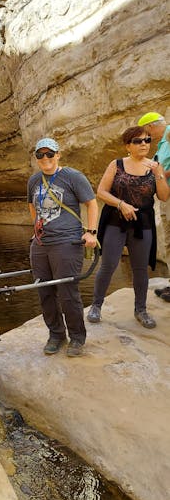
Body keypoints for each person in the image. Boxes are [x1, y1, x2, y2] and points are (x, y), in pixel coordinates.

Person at [87, 125, 169, 328]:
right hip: (116, 221)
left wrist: (159, 173)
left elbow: (164, 196)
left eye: (147, 140)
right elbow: (101, 192)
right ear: (127, 146)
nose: (144, 144)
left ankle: (140, 310)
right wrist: (121, 204)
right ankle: (96, 305)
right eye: (138, 141)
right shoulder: (116, 165)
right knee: (109, 265)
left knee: (140, 269)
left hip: (143, 224)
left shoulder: (154, 167)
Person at [27, 138, 98, 357]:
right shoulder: (34, 180)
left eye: (50, 154)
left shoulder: (73, 176)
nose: (45, 159)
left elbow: (92, 203)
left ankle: (77, 337)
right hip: (41, 244)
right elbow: (32, 206)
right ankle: (56, 334)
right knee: (44, 291)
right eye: (40, 155)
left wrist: (91, 232)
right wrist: (36, 228)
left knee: (68, 292)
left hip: (67, 242)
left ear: (58, 154)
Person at [137, 112, 170, 299]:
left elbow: (163, 171)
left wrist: (161, 175)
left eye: (145, 132)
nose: (145, 137)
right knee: (168, 242)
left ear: (150, 127)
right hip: (166, 199)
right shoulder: (163, 143)